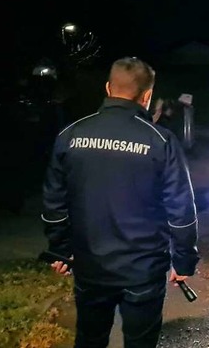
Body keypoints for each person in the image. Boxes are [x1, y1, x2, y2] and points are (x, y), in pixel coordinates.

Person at [41, 56, 199, 348]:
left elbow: (53, 203)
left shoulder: (71, 135)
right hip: (144, 270)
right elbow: (181, 210)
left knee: (89, 339)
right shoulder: (160, 141)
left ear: (107, 88)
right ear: (147, 95)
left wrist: (60, 249)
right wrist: (184, 259)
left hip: (91, 266)